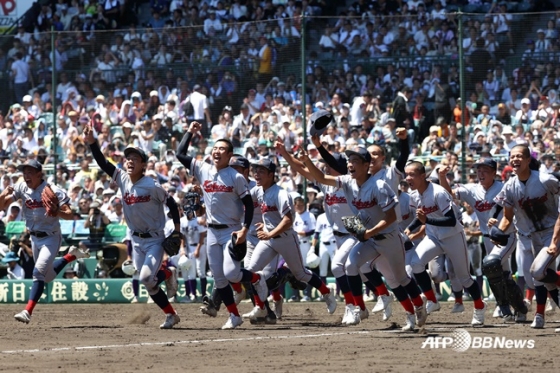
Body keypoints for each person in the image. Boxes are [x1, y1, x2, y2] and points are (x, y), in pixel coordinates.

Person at [302, 147, 426, 330]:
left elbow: (391, 217)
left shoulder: (379, 186)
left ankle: (418, 307)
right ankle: (360, 308)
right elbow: (321, 178)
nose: (350, 164)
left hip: (390, 238)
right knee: (351, 265)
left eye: (356, 161)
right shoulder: (347, 182)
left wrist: (369, 232)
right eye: (349, 161)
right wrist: (307, 161)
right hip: (371, 239)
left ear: (367, 165)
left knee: (401, 278)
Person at [84, 124, 182, 330]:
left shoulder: (152, 185)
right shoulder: (122, 179)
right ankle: (171, 313)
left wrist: (177, 229)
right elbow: (103, 163)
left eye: (135, 158)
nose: (129, 161)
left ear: (143, 165)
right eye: (128, 158)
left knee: (147, 278)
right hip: (136, 240)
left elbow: (172, 203)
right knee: (149, 283)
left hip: (155, 239)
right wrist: (93, 143)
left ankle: (169, 274)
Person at [176, 121, 267, 330]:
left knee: (231, 274)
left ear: (229, 155)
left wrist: (244, 229)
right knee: (218, 278)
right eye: (215, 148)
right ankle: (234, 316)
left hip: (231, 231)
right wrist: (190, 131)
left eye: (222, 149)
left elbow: (247, 205)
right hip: (211, 231)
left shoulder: (235, 177)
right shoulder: (202, 169)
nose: (217, 152)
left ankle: (256, 278)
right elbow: (180, 153)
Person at [242, 158, 337, 323]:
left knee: (300, 274)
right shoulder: (258, 190)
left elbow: (288, 221)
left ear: (271, 175)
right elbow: (244, 201)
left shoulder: (280, 194)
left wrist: (269, 233)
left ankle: (326, 292)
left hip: (285, 238)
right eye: (256, 170)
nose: (256, 174)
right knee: (251, 271)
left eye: (261, 171)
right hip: (269, 238)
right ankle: (260, 306)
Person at [437, 158, 528, 322]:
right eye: (478, 170)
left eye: (485, 170)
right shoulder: (472, 189)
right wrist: (443, 177)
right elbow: (448, 194)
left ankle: (504, 306)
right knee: (503, 274)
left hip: (505, 236)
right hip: (488, 238)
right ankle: (519, 308)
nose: (480, 173)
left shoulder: (503, 187)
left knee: (491, 265)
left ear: (494, 172)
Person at [0, 159, 90, 324]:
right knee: (46, 277)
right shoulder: (21, 187)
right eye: (24, 172)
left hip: (51, 237)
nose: (26, 176)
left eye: (30, 172)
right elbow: (0, 206)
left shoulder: (53, 189)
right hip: (34, 238)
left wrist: (57, 211)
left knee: (37, 273)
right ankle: (70, 256)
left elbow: (70, 214)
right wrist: (4, 194)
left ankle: (27, 311)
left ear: (39, 174)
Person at [404, 161, 487, 326]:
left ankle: (479, 306)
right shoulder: (413, 195)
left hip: (453, 236)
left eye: (412, 174)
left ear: (423, 176)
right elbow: (420, 217)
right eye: (406, 174)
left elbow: (450, 220)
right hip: (433, 237)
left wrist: (425, 220)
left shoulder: (438, 192)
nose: (408, 178)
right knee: (415, 264)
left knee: (464, 277)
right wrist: (409, 228)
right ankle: (432, 300)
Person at [494, 145, 560, 329]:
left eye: (519, 156)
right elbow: (507, 217)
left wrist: (555, 241)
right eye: (512, 156)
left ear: (528, 160)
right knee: (540, 277)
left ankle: (539, 314)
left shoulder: (545, 179)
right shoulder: (510, 186)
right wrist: (499, 231)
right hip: (530, 236)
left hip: (551, 231)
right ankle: (539, 315)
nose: (515, 159)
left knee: (538, 271)